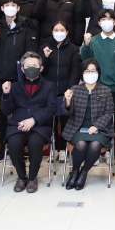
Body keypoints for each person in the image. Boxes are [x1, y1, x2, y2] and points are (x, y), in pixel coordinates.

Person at [0, 0, 39, 162]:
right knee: (0, 113)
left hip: (20, 77)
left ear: (18, 8)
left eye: (13, 5)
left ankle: (19, 147)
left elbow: (31, 52)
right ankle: (2, 147)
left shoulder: (27, 26)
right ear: (2, 8)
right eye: (7, 5)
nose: (10, 8)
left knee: (21, 111)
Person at [1, 52, 57, 193]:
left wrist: (33, 120)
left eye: (34, 65)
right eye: (28, 66)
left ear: (41, 68)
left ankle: (32, 178)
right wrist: (6, 94)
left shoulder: (49, 86)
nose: (31, 68)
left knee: (35, 144)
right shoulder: (14, 86)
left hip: (39, 126)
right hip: (17, 125)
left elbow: (51, 108)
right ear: (22, 69)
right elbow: (6, 110)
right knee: (14, 144)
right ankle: (21, 177)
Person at [61, 59, 115, 190]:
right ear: (82, 73)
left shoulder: (105, 90)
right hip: (77, 127)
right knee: (81, 144)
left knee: (95, 145)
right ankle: (74, 172)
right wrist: (67, 101)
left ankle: (83, 173)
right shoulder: (74, 89)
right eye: (87, 71)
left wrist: (96, 125)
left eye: (93, 71)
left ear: (98, 73)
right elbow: (67, 112)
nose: (90, 73)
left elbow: (109, 113)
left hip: (100, 129)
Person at [81, 8, 115, 140]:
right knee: (93, 119)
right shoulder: (92, 41)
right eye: (103, 19)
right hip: (95, 87)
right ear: (99, 22)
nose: (106, 22)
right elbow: (85, 61)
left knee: (110, 121)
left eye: (109, 19)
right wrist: (86, 45)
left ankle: (109, 147)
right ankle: (94, 146)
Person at [39, 21, 82, 163]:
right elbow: (40, 70)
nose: (59, 32)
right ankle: (52, 149)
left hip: (66, 92)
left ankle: (63, 150)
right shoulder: (44, 47)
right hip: (48, 91)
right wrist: (45, 57)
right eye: (56, 29)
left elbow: (75, 71)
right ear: (52, 31)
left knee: (65, 122)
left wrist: (70, 89)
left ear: (67, 31)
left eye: (62, 29)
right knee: (49, 122)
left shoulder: (73, 49)